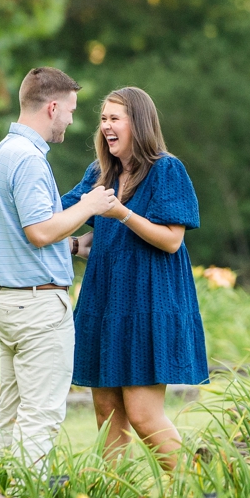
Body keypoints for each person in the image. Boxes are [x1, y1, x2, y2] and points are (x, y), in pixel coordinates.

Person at [61, 86, 209, 470]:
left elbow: (171, 241)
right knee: (108, 417)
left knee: (143, 415)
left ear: (138, 124)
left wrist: (122, 213)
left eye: (115, 119)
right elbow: (100, 236)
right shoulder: (99, 173)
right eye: (103, 119)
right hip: (105, 302)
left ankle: (205, 494)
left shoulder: (166, 170)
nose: (107, 126)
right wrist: (75, 246)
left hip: (148, 302)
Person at [0, 67, 116, 466]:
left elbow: (22, 233)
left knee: (10, 420)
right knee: (40, 421)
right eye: (71, 110)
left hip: (7, 303)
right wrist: (88, 206)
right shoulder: (29, 159)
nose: (73, 120)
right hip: (37, 310)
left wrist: (73, 245)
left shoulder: (2, 153)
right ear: (53, 107)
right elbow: (39, 232)